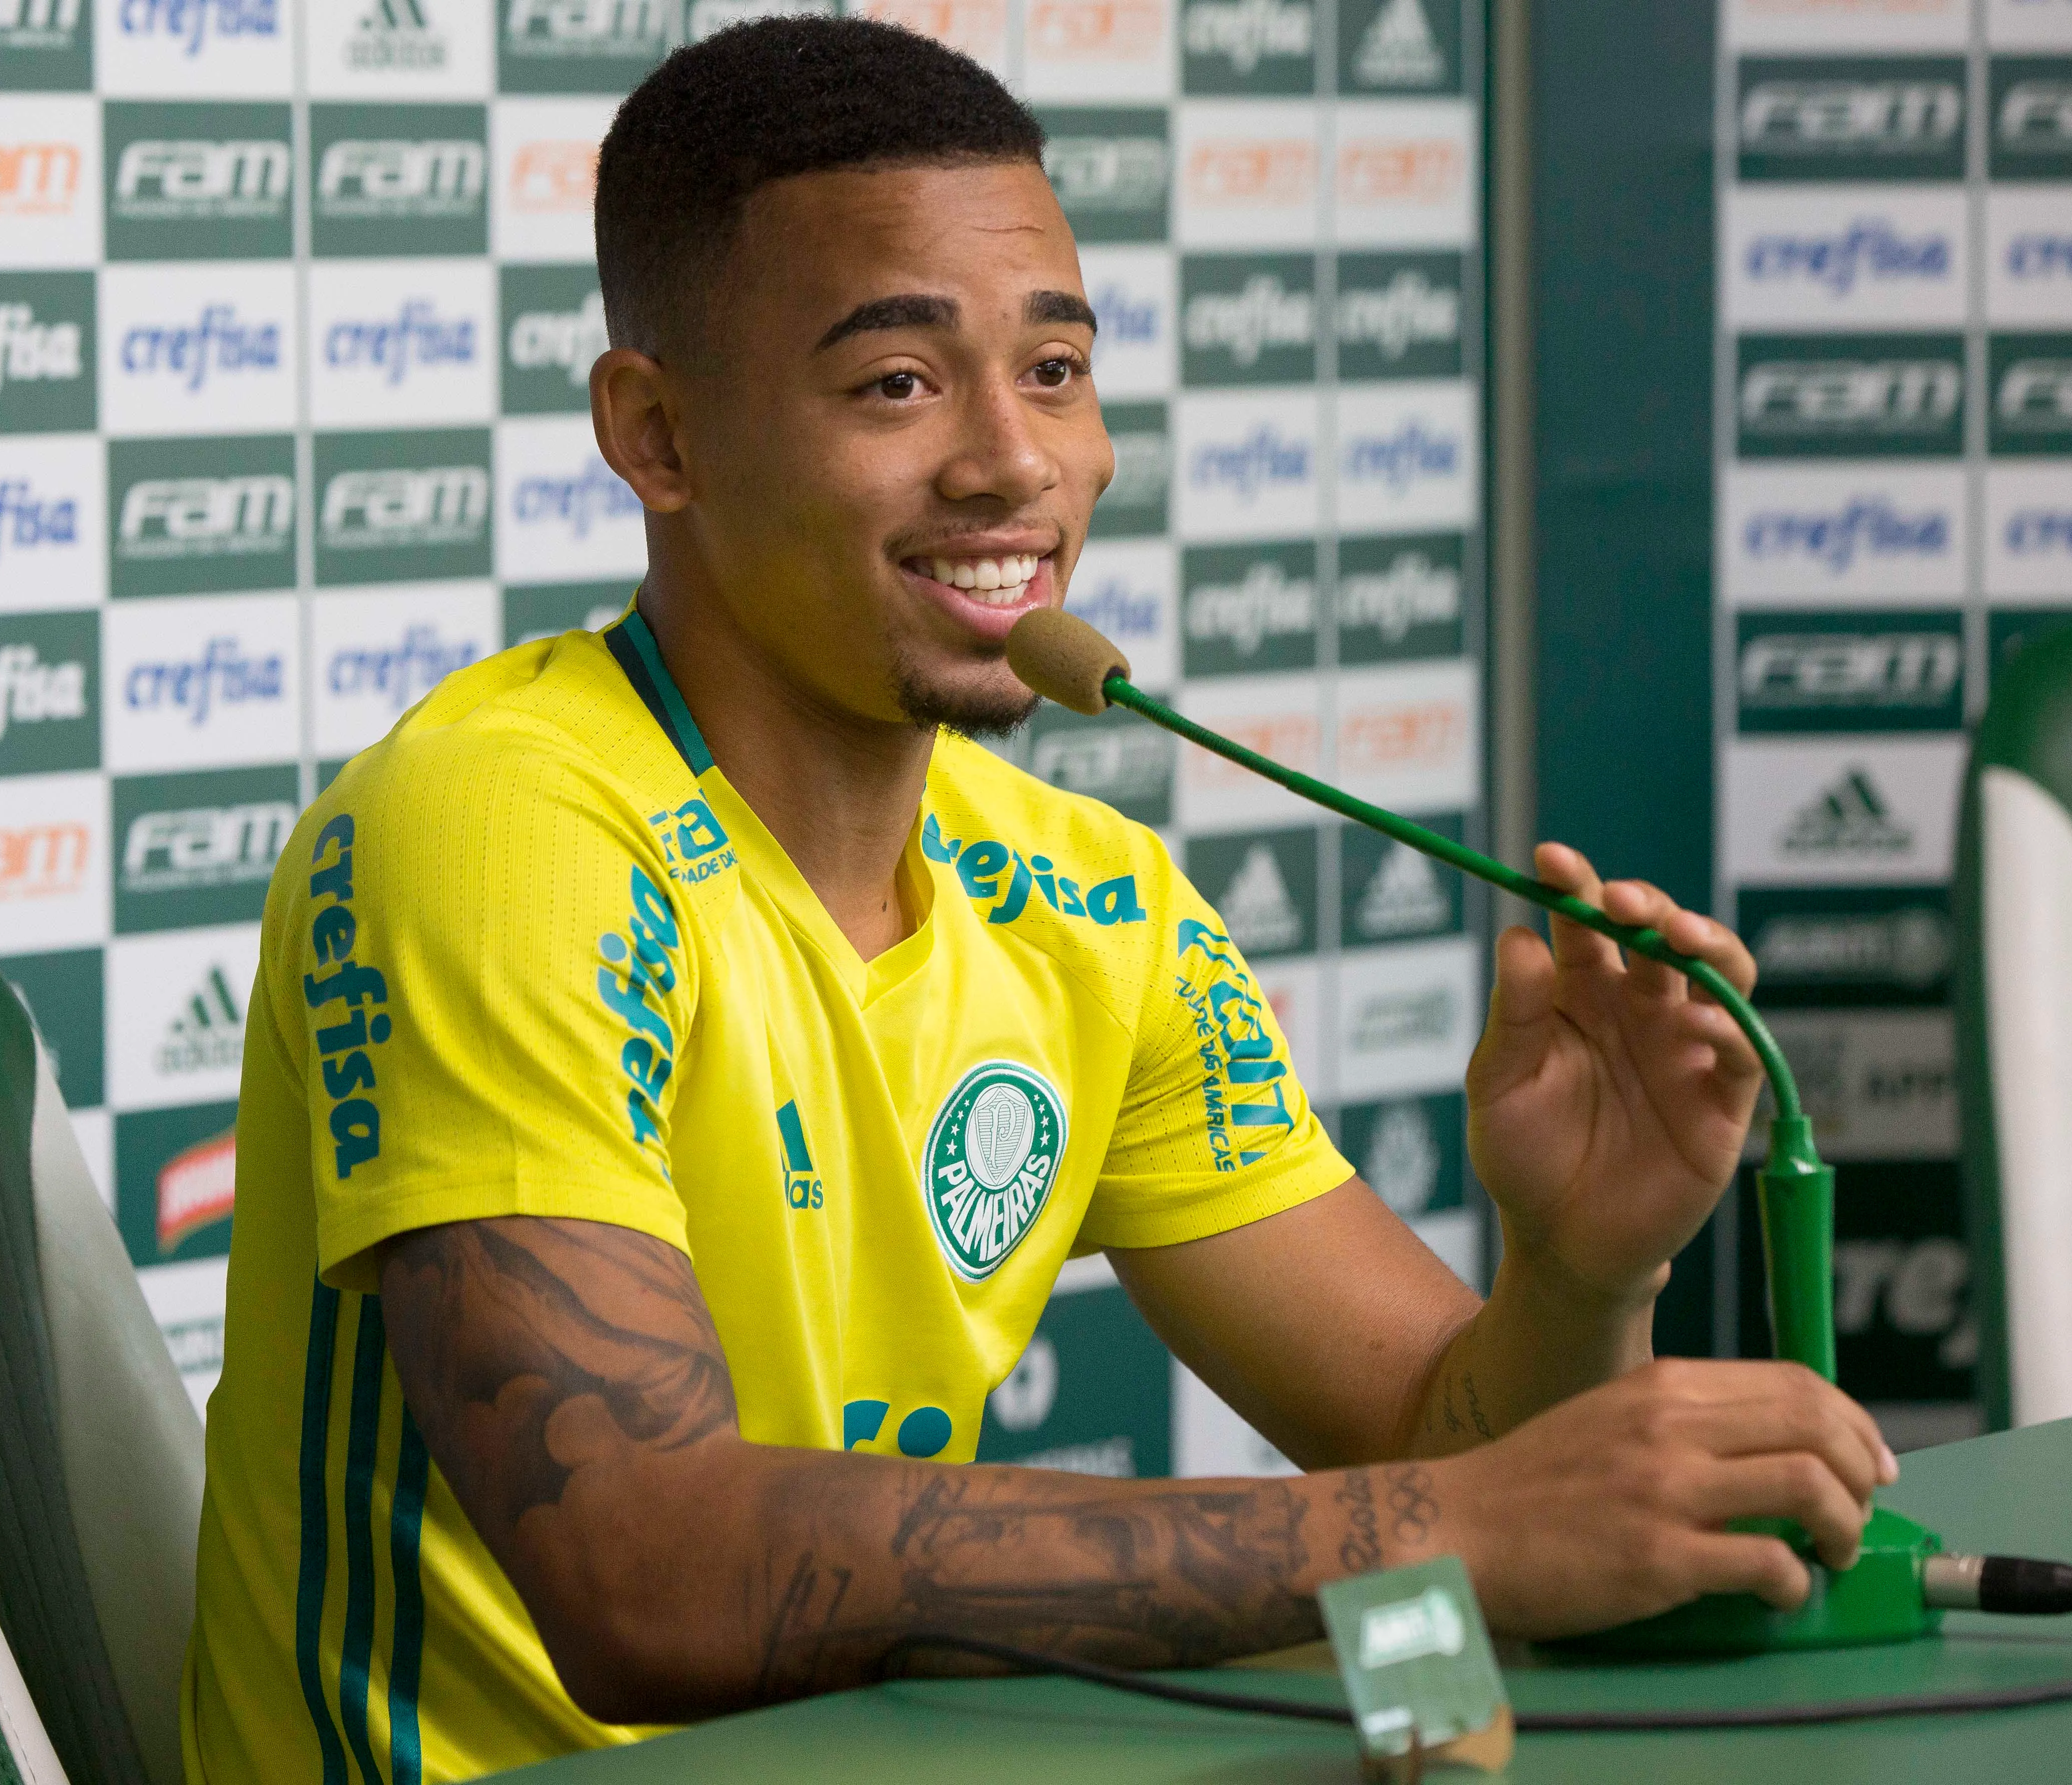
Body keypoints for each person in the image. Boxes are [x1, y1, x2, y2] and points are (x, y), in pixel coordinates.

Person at [184, 18, 1893, 1781]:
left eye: (1057, 368)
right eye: (898, 385)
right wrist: (1427, 1531)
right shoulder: (498, 826)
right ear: (657, 433)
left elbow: (1426, 1430)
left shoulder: (1089, 898)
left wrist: (1580, 1266)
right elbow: (645, 1571)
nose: (1016, 465)